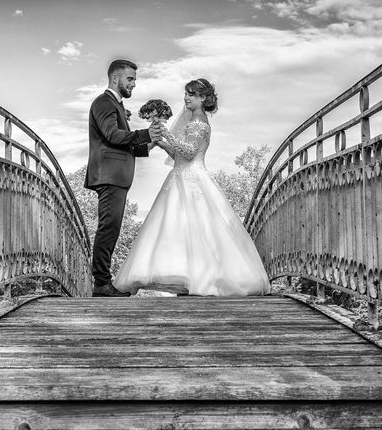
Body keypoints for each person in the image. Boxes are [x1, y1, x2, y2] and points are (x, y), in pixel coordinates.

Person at [114, 79, 271, 296]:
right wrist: (159, 142)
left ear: (203, 98)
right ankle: (187, 277)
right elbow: (179, 156)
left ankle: (204, 277)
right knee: (179, 230)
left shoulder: (200, 121)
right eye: (186, 94)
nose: (186, 98)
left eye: (192, 94)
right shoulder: (192, 120)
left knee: (198, 229)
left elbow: (189, 153)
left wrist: (165, 132)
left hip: (193, 180)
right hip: (180, 176)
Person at [85, 59, 163, 297]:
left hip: (116, 176)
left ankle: (103, 281)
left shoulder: (115, 105)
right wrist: (143, 133)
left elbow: (125, 144)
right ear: (115, 78)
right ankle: (101, 283)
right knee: (108, 228)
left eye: (135, 80)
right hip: (109, 176)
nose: (133, 84)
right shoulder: (104, 102)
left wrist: (152, 142)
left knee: (112, 227)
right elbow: (112, 135)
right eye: (130, 79)